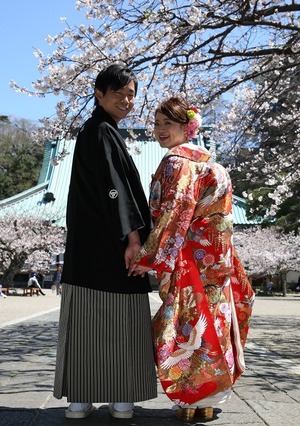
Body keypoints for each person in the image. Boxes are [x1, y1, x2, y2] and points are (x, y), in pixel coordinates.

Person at [129, 97, 255, 421]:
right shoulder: (213, 163)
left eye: (167, 125)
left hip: (190, 255)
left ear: (186, 128)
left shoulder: (176, 162)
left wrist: (151, 255)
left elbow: (176, 212)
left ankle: (191, 397)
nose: (159, 131)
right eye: (157, 124)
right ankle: (211, 398)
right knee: (216, 319)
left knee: (187, 323)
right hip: (216, 255)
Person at [53, 63, 157, 420]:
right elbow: (116, 190)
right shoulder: (102, 132)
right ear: (99, 95)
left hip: (86, 247)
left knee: (84, 322)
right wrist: (132, 238)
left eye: (131, 95)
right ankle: (121, 398)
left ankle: (79, 400)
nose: (127, 101)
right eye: (119, 94)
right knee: (122, 323)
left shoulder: (94, 130)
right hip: (113, 245)